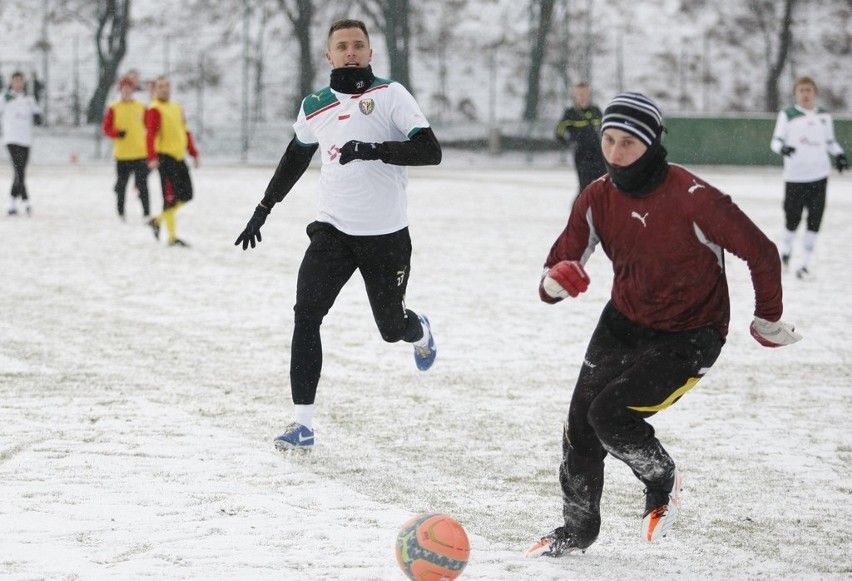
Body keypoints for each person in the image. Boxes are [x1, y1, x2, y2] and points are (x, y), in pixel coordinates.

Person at [526, 93, 802, 558]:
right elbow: (555, 270)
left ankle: (661, 479)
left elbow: (761, 251)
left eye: (627, 143)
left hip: (691, 334)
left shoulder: (696, 198)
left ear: (653, 142)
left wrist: (768, 318)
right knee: (580, 426)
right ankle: (576, 531)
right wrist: (557, 281)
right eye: (608, 140)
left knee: (610, 416)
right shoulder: (596, 197)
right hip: (623, 322)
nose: (614, 153)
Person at [234, 18, 442, 451]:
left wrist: (373, 150)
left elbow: (430, 150)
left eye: (358, 46)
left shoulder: (390, 94)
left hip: (386, 235)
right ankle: (302, 425)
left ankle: (418, 330)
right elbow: (295, 157)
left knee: (390, 328)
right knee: (306, 315)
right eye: (342, 46)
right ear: (328, 55)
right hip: (332, 232)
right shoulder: (315, 105)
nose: (350, 52)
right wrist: (264, 207)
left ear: (370, 53)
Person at [770, 76, 847, 280]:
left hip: (819, 176)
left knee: (815, 220)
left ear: (815, 93)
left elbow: (830, 142)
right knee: (792, 219)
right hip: (795, 177)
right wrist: (783, 148)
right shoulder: (787, 115)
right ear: (796, 93)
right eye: (801, 90)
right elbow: (775, 142)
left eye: (809, 90)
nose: (805, 94)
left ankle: (804, 264)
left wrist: (839, 154)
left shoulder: (824, 116)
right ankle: (785, 252)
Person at [145, 75, 199, 246]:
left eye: (167, 86)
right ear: (155, 90)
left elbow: (186, 131)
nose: (165, 89)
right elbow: (150, 135)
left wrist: (193, 152)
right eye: (161, 86)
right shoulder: (154, 109)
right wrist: (152, 157)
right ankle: (172, 237)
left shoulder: (177, 107)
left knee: (188, 195)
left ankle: (157, 220)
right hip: (165, 159)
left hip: (179, 158)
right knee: (170, 198)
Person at [102, 75, 150, 220]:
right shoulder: (114, 108)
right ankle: (121, 212)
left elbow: (150, 127)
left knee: (142, 184)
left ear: (133, 90)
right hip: (122, 154)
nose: (127, 91)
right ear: (120, 90)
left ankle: (146, 213)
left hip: (140, 152)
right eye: (124, 89)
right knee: (121, 185)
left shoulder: (141, 107)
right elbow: (106, 128)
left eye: (129, 89)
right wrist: (116, 133)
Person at [1, 71, 42, 216]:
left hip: (25, 139)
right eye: (15, 81)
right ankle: (25, 200)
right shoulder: (5, 98)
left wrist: (37, 117)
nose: (18, 83)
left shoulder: (28, 99)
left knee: (20, 171)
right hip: (12, 138)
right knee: (19, 170)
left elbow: (38, 115)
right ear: (11, 82)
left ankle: (13, 202)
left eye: (20, 81)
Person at [555, 82, 607, 197]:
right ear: (574, 96)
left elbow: (607, 130)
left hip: (598, 153)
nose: (582, 97)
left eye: (585, 94)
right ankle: (578, 213)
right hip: (582, 155)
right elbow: (559, 133)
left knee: (604, 185)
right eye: (579, 94)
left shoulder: (596, 111)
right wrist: (570, 144)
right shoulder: (570, 113)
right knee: (585, 188)